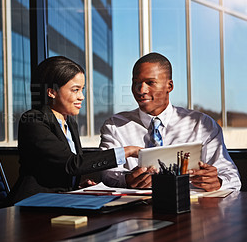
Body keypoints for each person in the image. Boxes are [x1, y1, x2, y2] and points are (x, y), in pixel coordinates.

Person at [100, 52, 241, 191]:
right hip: (135, 210)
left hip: (193, 209)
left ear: (169, 86)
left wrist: (218, 182)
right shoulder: (115, 126)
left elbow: (233, 178)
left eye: (150, 83)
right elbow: (107, 174)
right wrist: (126, 180)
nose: (141, 90)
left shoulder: (202, 125)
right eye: (136, 83)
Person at [9, 56, 140, 203]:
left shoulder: (70, 123)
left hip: (58, 201)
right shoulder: (34, 121)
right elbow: (71, 164)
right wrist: (127, 151)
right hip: (31, 205)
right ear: (52, 92)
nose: (81, 97)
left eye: (82, 89)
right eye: (75, 90)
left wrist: (76, 188)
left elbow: (60, 172)